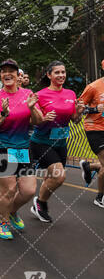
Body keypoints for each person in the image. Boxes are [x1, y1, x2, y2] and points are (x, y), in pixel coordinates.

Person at [0, 59, 40, 240]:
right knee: (9, 189)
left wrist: (32, 109)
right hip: (0, 147)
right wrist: (3, 114)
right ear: (1, 76)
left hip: (22, 148)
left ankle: (12, 211)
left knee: (29, 190)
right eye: (3, 71)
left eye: (11, 71)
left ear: (18, 75)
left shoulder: (28, 94)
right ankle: (3, 222)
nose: (7, 74)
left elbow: (38, 121)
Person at [30, 61, 84, 223]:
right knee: (59, 177)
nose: (61, 75)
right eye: (57, 73)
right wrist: (44, 118)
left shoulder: (71, 94)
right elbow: (34, 122)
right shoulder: (40, 95)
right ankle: (40, 203)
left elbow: (75, 120)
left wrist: (79, 112)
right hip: (42, 141)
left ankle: (39, 204)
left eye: (63, 72)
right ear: (49, 75)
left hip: (61, 142)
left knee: (50, 176)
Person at [78, 61, 104, 207]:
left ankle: (90, 167)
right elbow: (79, 108)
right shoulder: (93, 87)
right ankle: (100, 197)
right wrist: (95, 110)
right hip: (95, 128)